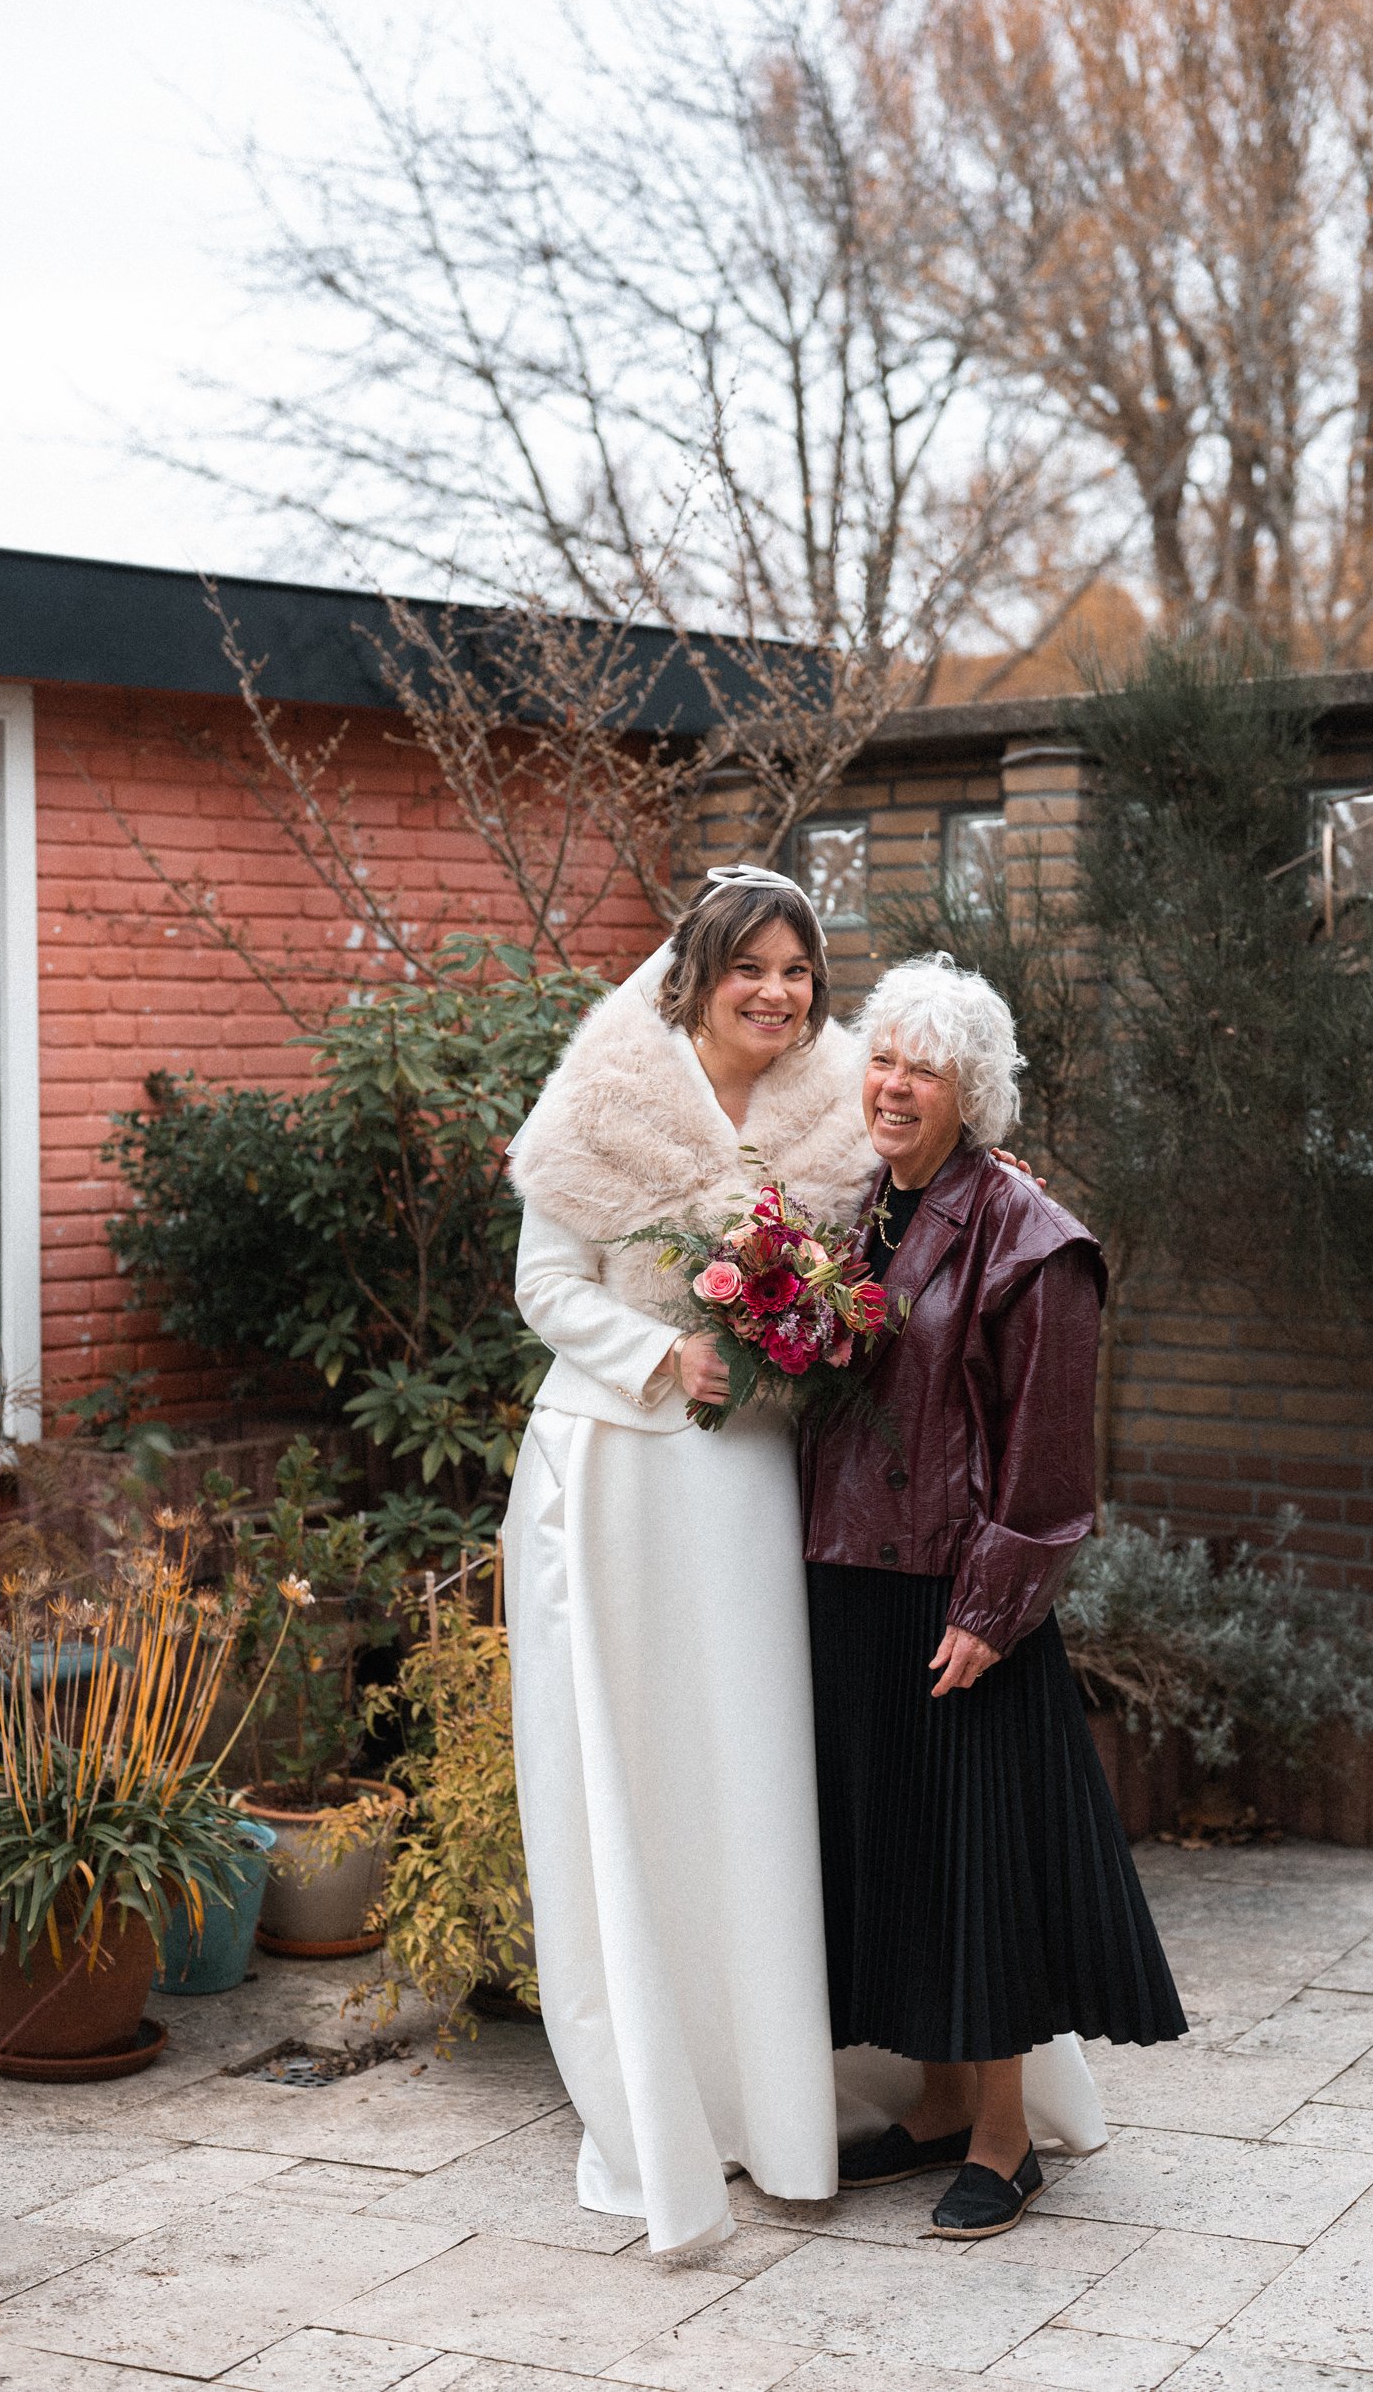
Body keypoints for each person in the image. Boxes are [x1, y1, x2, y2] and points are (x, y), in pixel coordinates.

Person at [501, 864, 875, 2254]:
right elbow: (545, 1290)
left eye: (800, 971)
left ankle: (782, 2090)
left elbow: (887, 1258)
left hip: (756, 1481)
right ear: (699, 974)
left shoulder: (840, 1110)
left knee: (758, 1771)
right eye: (753, 970)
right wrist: (666, 1352)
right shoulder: (605, 1098)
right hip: (617, 1473)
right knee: (642, 1775)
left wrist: (814, 1328)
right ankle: (668, 2098)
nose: (780, 994)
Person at [803, 952, 1187, 2243]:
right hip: (853, 1570)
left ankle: (1007, 2136)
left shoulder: (1036, 1238)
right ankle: (929, 2107)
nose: (896, 1084)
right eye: (885, 1057)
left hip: (959, 1596)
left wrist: (993, 1606)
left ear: (977, 1092)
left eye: (927, 1066)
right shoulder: (867, 1208)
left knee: (980, 1869)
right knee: (898, 1854)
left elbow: (1051, 1463)